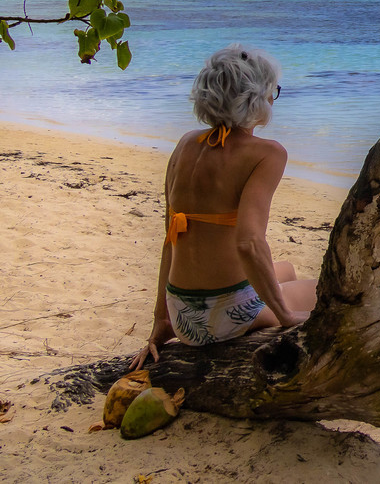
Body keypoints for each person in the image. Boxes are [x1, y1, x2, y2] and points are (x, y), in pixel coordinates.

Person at [132, 45, 317, 369]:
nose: (274, 98)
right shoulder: (267, 153)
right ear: (256, 98)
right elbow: (248, 243)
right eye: (272, 90)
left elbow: (170, 238)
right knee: (319, 290)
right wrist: (285, 315)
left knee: (285, 269)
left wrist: (161, 321)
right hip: (224, 318)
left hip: (183, 315)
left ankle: (267, 321)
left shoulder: (187, 144)